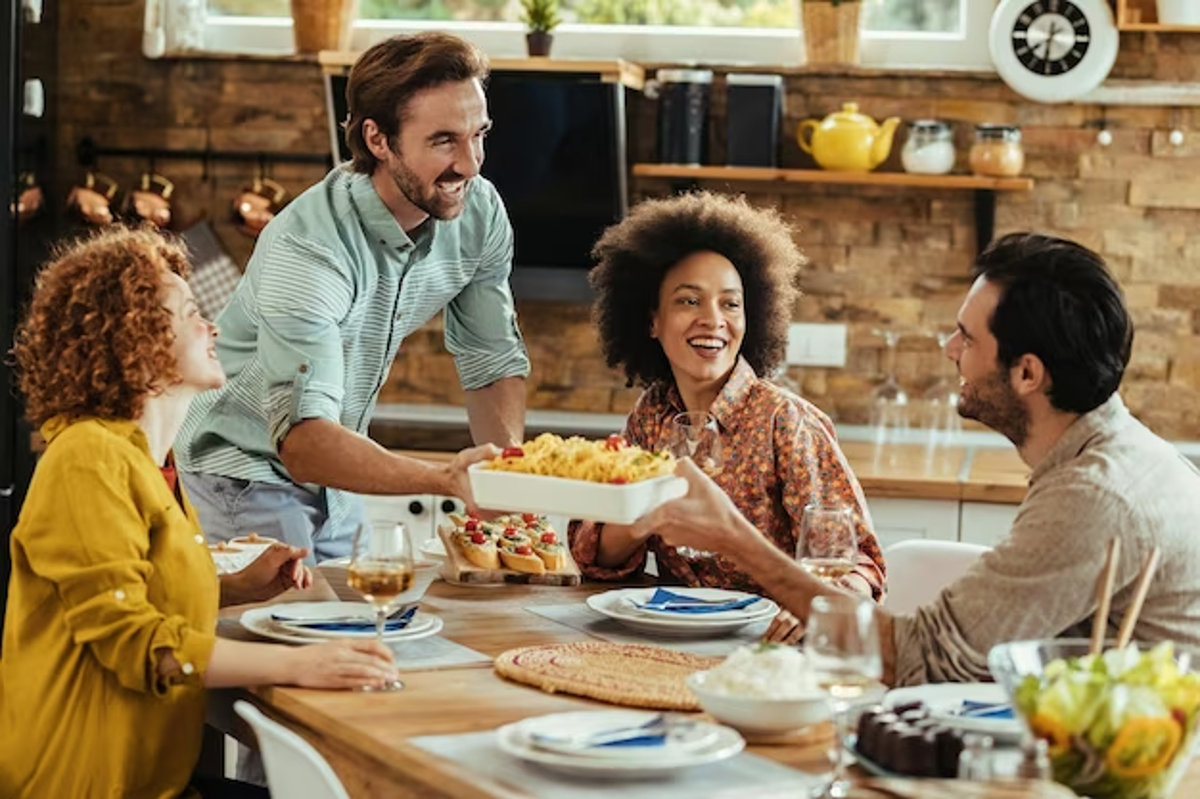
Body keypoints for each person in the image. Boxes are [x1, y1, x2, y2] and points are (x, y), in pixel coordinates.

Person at [636, 232, 1200, 686]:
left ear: (1027, 373)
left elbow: (913, 660)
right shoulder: (1124, 457)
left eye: (966, 338)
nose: (948, 349)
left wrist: (735, 538)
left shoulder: (1093, 495)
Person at [0, 227, 400, 798]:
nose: (210, 327)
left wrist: (236, 587)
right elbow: (139, 644)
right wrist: (301, 665)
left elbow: (145, 598)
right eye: (188, 313)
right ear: (133, 339)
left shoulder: (150, 462)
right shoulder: (87, 459)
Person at [176, 32, 530, 562]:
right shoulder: (309, 248)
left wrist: (504, 480)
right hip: (242, 471)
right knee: (293, 638)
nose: (472, 163)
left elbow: (490, 357)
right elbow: (302, 441)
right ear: (379, 140)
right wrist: (448, 479)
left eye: (478, 134)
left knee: (362, 632)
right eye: (443, 141)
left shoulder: (478, 211)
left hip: (335, 474)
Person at [572, 192, 885, 614]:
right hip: (675, 637)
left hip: (770, 648)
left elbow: (857, 565)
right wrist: (643, 513)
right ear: (652, 321)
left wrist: (816, 612)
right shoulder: (650, 418)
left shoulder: (785, 421)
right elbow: (595, 555)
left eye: (730, 304)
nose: (713, 319)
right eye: (689, 300)